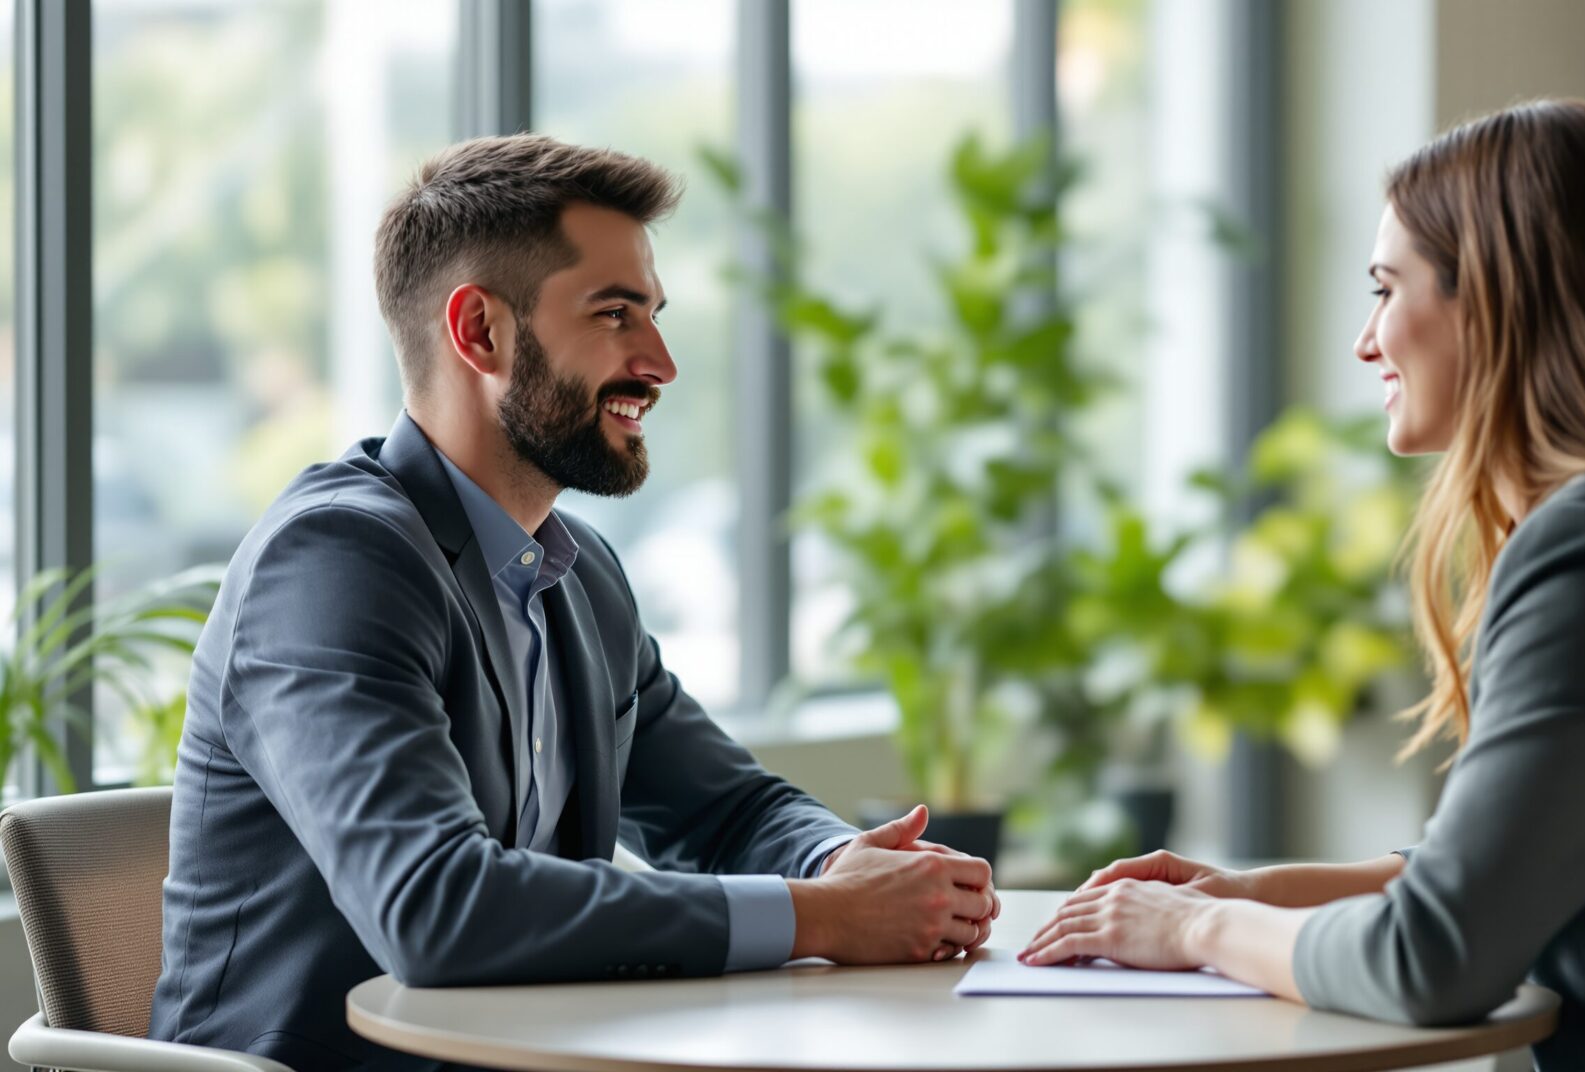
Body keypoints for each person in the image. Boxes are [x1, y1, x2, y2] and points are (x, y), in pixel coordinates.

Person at [1022, 99, 1585, 1071]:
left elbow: (1432, 956)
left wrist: (1190, 931)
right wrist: (1246, 893)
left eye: (1385, 288)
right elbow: (1523, 867)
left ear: (1490, 299)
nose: (1367, 342)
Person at [150, 134, 999, 1071]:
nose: (662, 363)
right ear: (480, 332)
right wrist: (820, 916)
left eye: (656, 315)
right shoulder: (336, 561)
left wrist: (841, 867)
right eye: (616, 314)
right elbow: (436, 909)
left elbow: (723, 811)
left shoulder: (576, 574)